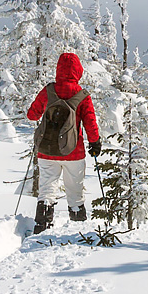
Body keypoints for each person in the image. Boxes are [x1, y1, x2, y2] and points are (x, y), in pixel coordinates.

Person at [25, 52, 101, 234]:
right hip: (73, 152)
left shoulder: (48, 90)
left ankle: (42, 225)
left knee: (46, 189)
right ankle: (77, 229)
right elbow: (90, 122)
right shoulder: (82, 95)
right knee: (75, 190)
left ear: (58, 69)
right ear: (78, 71)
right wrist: (95, 142)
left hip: (46, 150)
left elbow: (31, 115)